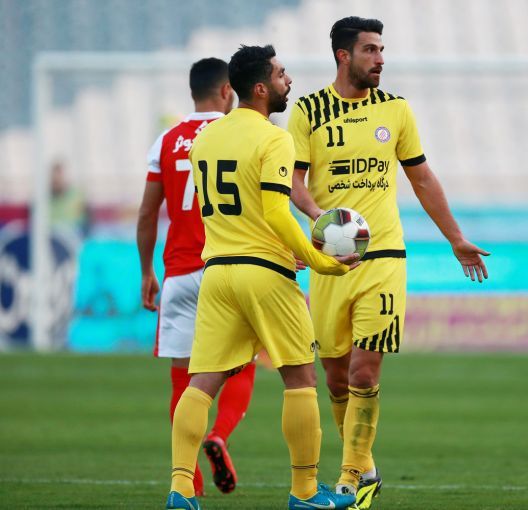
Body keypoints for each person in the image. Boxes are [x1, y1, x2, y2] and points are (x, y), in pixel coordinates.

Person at [287, 16, 489, 509]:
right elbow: (292, 181)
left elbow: (422, 178)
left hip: (383, 259)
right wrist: (321, 220)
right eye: (371, 50)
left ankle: (351, 478)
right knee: (335, 376)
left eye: (382, 49)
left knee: (363, 371)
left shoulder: (395, 109)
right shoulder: (308, 111)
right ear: (343, 56)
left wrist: (456, 238)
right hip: (331, 263)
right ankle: (368, 468)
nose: (380, 58)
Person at [165, 44, 359, 510]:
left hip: (217, 273)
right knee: (300, 378)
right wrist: (319, 261)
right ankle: (305, 492)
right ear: (259, 88)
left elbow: (236, 210)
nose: (288, 81)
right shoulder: (275, 139)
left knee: (201, 383)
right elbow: (274, 211)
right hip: (264, 275)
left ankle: (180, 489)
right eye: (280, 74)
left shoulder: (207, 138)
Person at [137, 57, 254, 497]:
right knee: (244, 361)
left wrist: (147, 271)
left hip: (179, 274)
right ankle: (219, 434)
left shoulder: (166, 140)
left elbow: (148, 213)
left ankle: (189, 481)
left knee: (182, 378)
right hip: (227, 268)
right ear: (227, 91)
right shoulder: (237, 133)